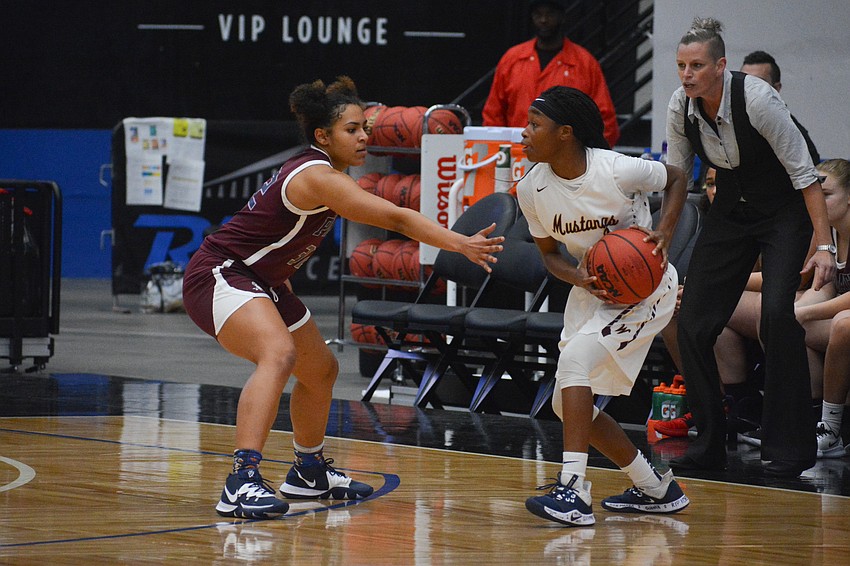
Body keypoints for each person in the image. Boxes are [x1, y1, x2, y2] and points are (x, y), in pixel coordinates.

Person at [182, 76, 505, 519]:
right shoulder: (317, 175)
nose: (363, 137)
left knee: (321, 370)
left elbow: (275, 239)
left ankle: (308, 472)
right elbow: (396, 216)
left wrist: (279, 281)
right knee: (278, 355)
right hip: (219, 274)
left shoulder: (325, 172)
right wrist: (460, 242)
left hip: (264, 280)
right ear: (322, 136)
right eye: (351, 129)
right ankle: (241, 481)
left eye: (365, 128)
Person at [666, 18, 835, 478]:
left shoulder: (758, 99)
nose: (686, 74)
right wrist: (661, 237)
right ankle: (711, 441)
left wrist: (824, 246)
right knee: (693, 322)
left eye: (696, 65)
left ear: (720, 66)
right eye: (681, 65)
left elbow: (806, 175)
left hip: (783, 209)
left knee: (778, 316)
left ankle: (790, 449)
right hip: (730, 212)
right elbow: (678, 179)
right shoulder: (680, 106)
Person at [517, 86, 690, 527]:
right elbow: (551, 256)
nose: (525, 132)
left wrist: (665, 233)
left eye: (535, 125)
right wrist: (579, 277)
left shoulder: (615, 169)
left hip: (645, 289)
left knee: (575, 362)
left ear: (565, 133)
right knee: (565, 403)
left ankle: (573, 489)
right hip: (593, 289)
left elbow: (676, 178)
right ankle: (655, 487)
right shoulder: (531, 188)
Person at [482, 0, 620, 147]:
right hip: (517, 156)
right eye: (538, 14)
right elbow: (493, 115)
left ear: (562, 17)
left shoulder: (584, 63)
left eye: (550, 14)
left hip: (566, 162)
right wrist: (499, 155)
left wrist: (586, 159)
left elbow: (605, 120)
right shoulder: (512, 59)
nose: (543, 20)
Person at [795, 159, 850, 458]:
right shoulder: (825, 232)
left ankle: (832, 427)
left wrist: (805, 311)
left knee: (843, 323)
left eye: (826, 194)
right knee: (787, 323)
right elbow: (811, 281)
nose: (818, 201)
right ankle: (811, 419)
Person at [740, 50, 820, 165]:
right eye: (744, 82)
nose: (749, 90)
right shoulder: (725, 121)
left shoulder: (793, 131)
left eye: (758, 84)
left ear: (776, 88)